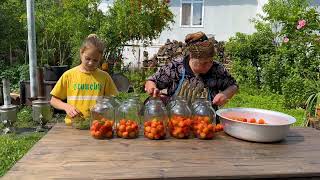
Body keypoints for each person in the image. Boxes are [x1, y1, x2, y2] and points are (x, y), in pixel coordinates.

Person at [144, 32, 238, 110]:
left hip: (206, 123)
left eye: (211, 61)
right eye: (203, 63)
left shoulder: (217, 69)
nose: (209, 66)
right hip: (178, 121)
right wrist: (152, 88)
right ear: (191, 57)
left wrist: (225, 94)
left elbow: (233, 85)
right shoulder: (175, 66)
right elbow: (152, 81)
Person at [50, 34, 118, 125]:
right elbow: (54, 100)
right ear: (81, 53)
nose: (90, 63)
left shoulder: (104, 77)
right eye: (87, 58)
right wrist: (66, 107)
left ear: (100, 59)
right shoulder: (68, 75)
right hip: (73, 125)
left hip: (98, 126)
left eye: (95, 60)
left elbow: (114, 100)